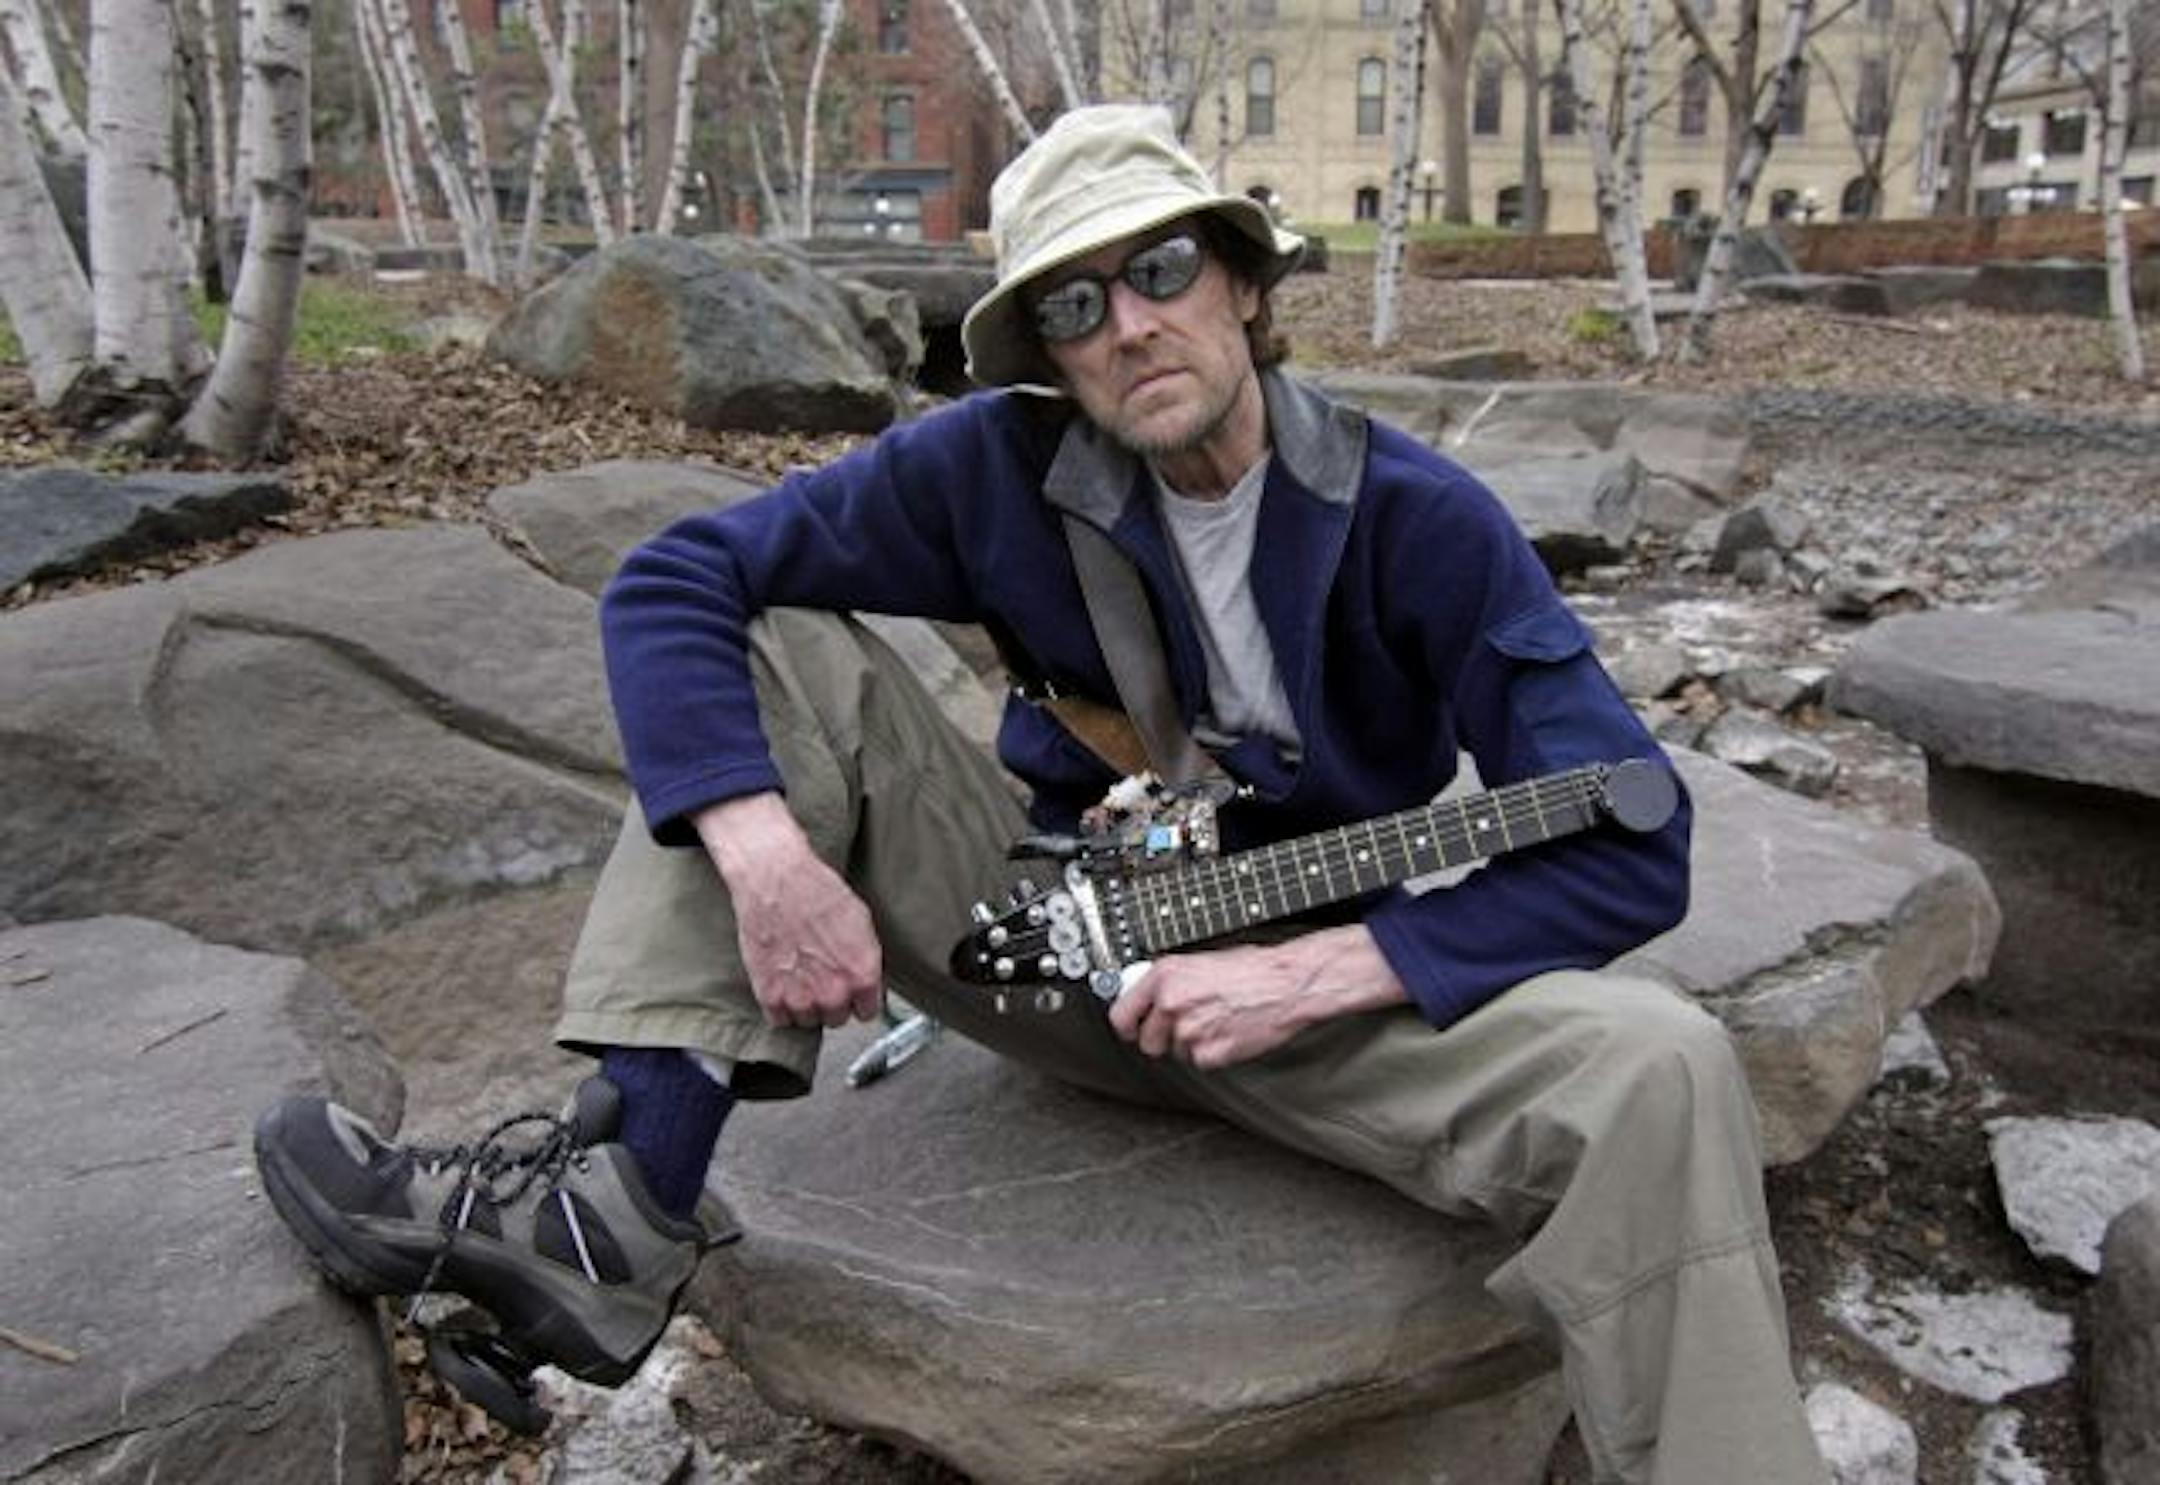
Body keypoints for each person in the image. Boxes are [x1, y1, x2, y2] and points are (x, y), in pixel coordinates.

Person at [255, 105, 1826, 1482]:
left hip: (1324, 1006)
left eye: (1158, 273)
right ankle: (611, 1217)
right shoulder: (987, 471)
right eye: (1079, 301)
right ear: (1050, 350)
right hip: (1050, 941)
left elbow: (1635, 825)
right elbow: (680, 578)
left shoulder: (1420, 520)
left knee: (1666, 1064)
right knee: (784, 642)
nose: (1129, 325)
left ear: (1242, 285)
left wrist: (1336, 967)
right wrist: (760, 850)